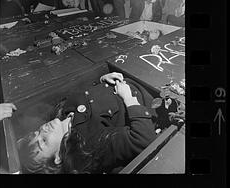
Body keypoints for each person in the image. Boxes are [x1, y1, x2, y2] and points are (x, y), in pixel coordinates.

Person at [17, 72, 157, 174]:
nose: (44, 130)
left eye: (36, 132)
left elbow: (88, 97)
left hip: (130, 75)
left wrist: (102, 80)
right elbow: (143, 138)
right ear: (58, 158)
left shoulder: (61, 113)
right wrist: (129, 98)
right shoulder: (90, 145)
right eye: (44, 140)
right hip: (148, 90)